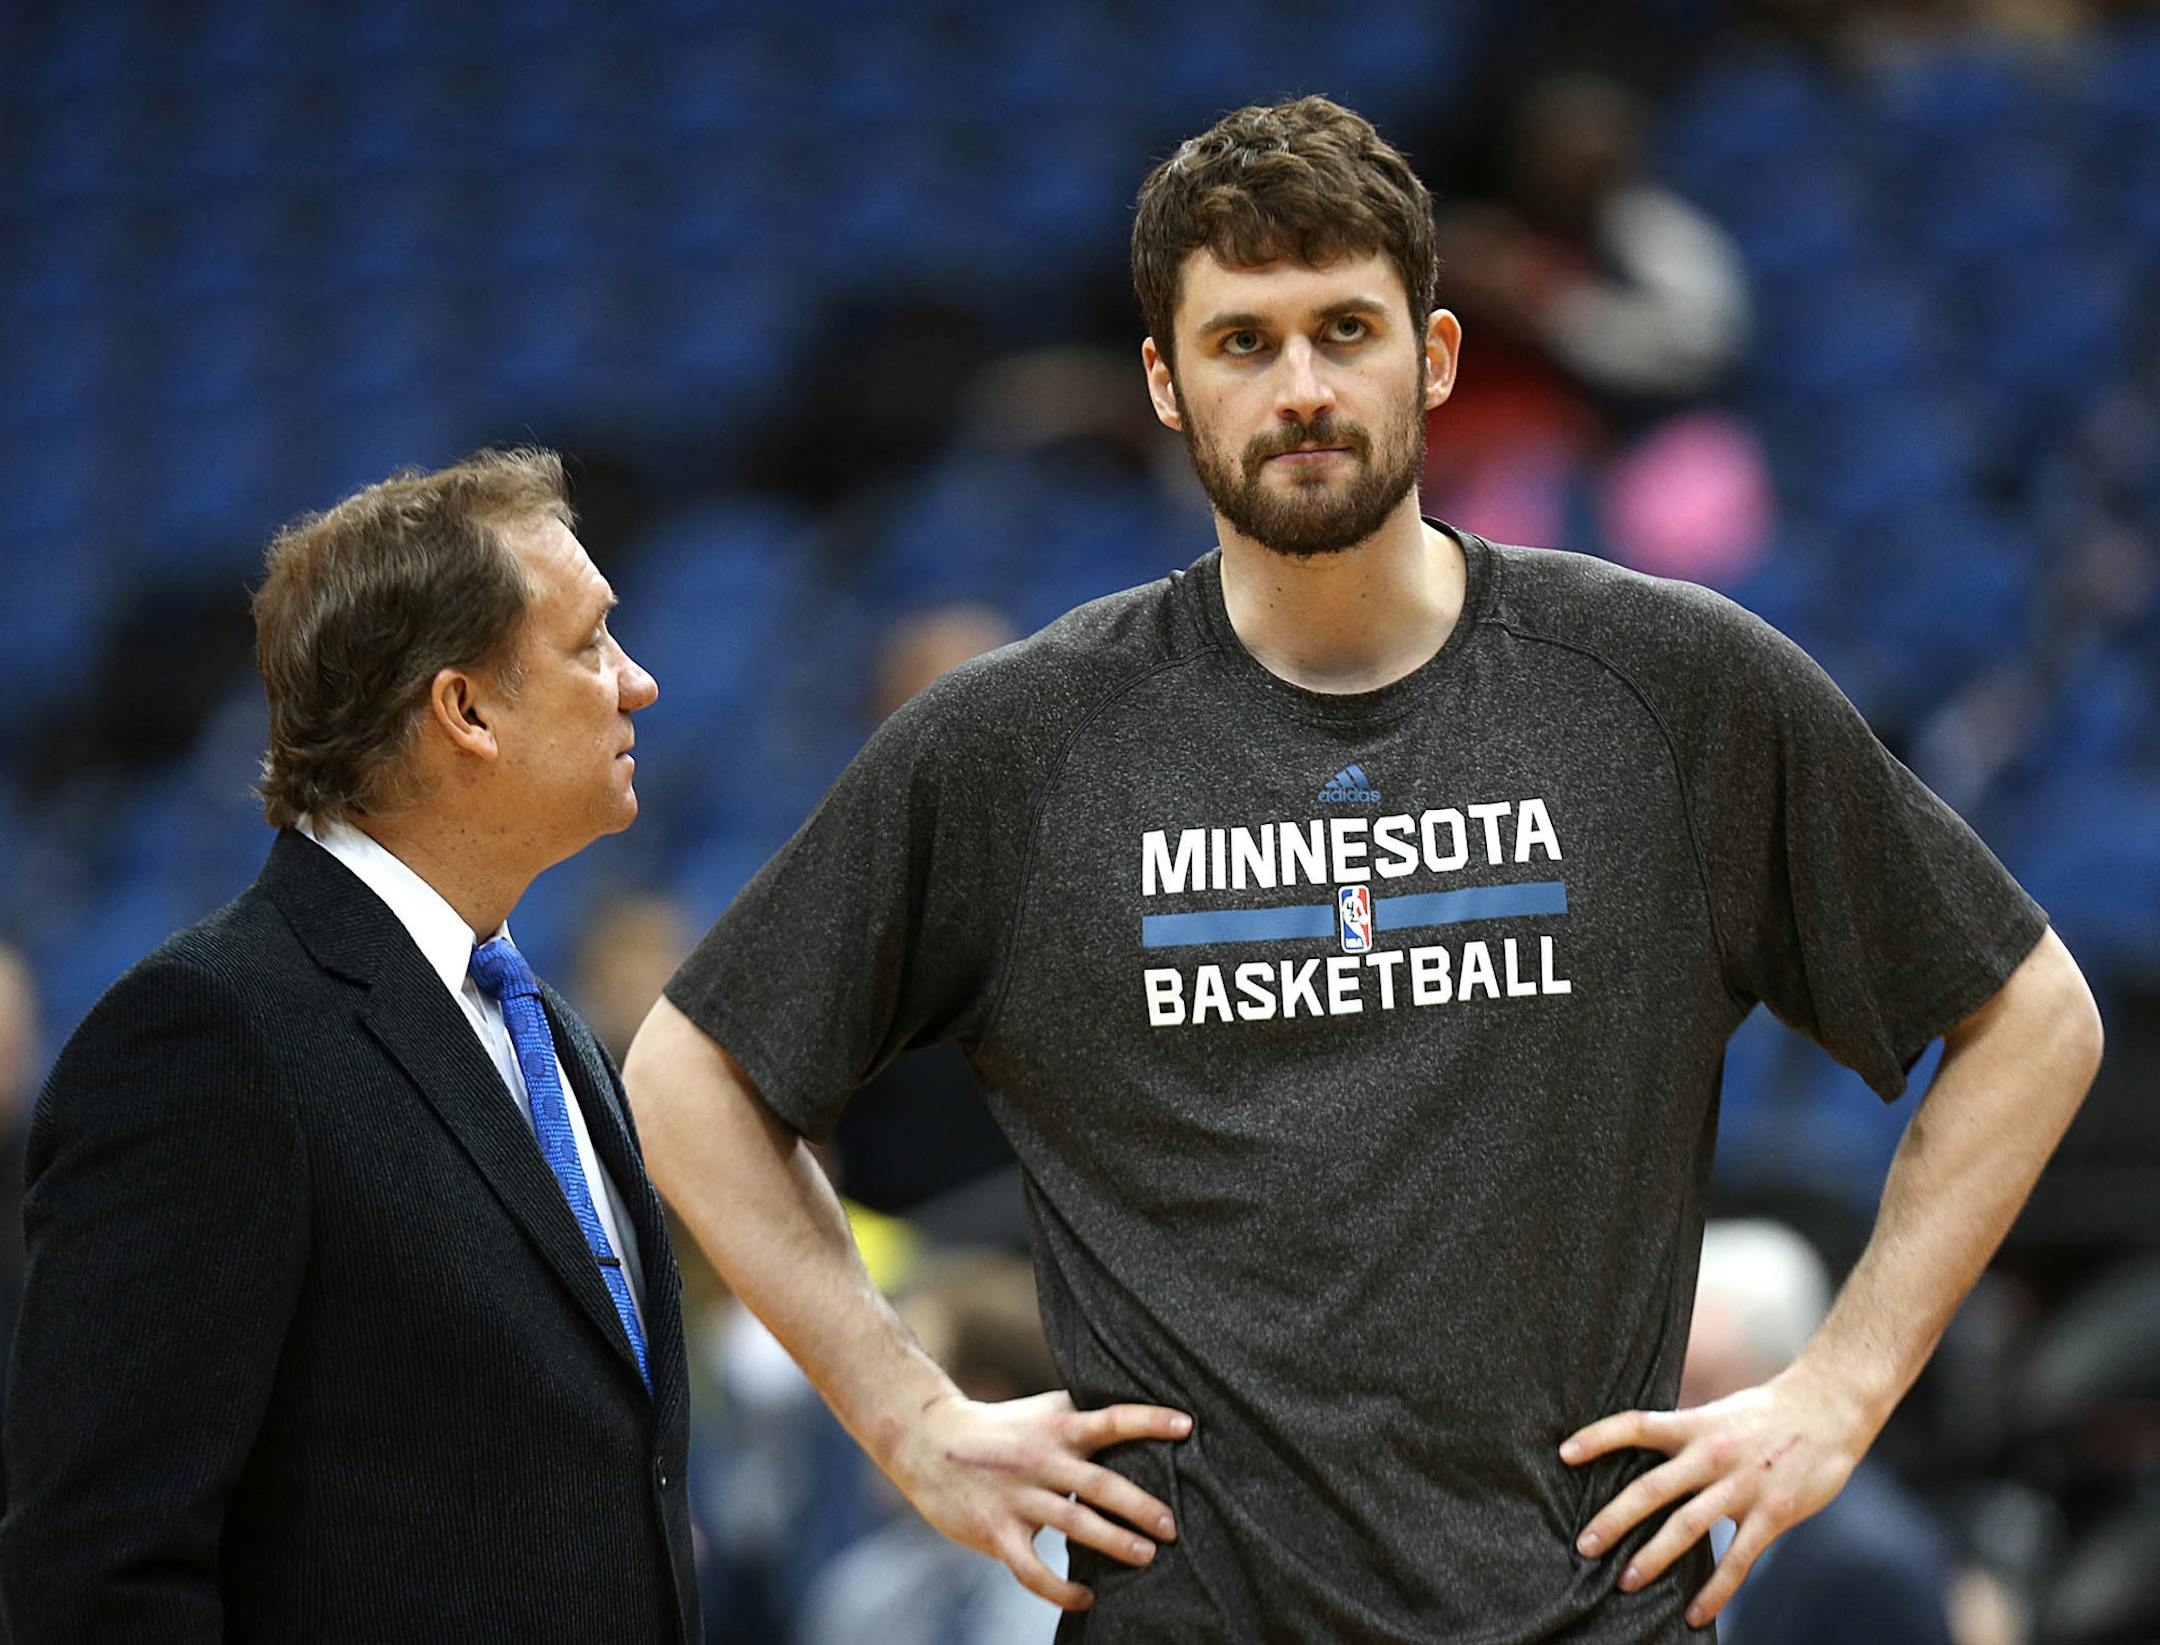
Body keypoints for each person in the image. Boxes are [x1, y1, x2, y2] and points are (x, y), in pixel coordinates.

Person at [624, 97, 2102, 1642]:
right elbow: (686, 1075)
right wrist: (907, 1417)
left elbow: (2033, 1018)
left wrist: (1839, 1393)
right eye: (1243, 343)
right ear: (1165, 385)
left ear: (1436, 356)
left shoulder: (1670, 688)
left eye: (1346, 329)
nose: (1303, 388)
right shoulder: (1019, 742)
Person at [1, 450, 700, 1641]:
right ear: (465, 711)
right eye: (590, 644)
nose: (637, 682)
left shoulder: (552, 1036)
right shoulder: (208, 1037)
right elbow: (99, 1564)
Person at [1682, 1221, 1962, 1645]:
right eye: (1672, 1388)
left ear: (1785, 1386)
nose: (1678, 1416)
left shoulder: (1871, 1566)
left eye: (1702, 1389)